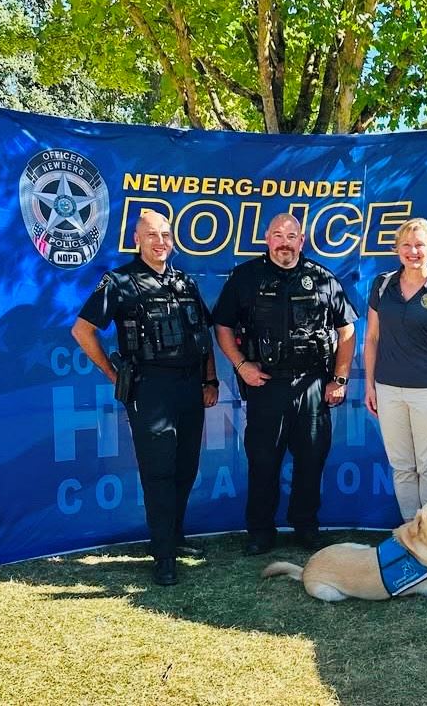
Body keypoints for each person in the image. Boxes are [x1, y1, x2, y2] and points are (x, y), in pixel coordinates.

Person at [71, 210, 218, 586]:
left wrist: (210, 380)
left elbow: (203, 336)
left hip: (190, 387)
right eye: (152, 235)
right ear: (137, 240)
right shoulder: (119, 281)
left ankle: (175, 536)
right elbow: (82, 330)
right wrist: (113, 374)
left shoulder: (184, 282)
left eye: (166, 235)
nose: (160, 242)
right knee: (159, 472)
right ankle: (163, 555)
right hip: (150, 389)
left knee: (186, 467)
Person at [213, 213, 358, 556]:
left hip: (312, 385)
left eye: (291, 236)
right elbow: (222, 326)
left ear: (301, 241)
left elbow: (347, 329)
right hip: (266, 386)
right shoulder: (245, 277)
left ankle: (306, 527)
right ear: (267, 239)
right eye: (278, 235)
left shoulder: (322, 278)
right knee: (263, 462)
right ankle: (260, 531)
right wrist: (241, 365)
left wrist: (339, 379)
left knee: (311, 460)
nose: (284, 243)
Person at [364, 218, 427, 521]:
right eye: (406, 245)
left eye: (420, 245)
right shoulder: (382, 285)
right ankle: (412, 530)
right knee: (402, 466)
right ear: (397, 249)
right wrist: (369, 385)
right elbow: (371, 338)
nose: (413, 251)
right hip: (388, 389)